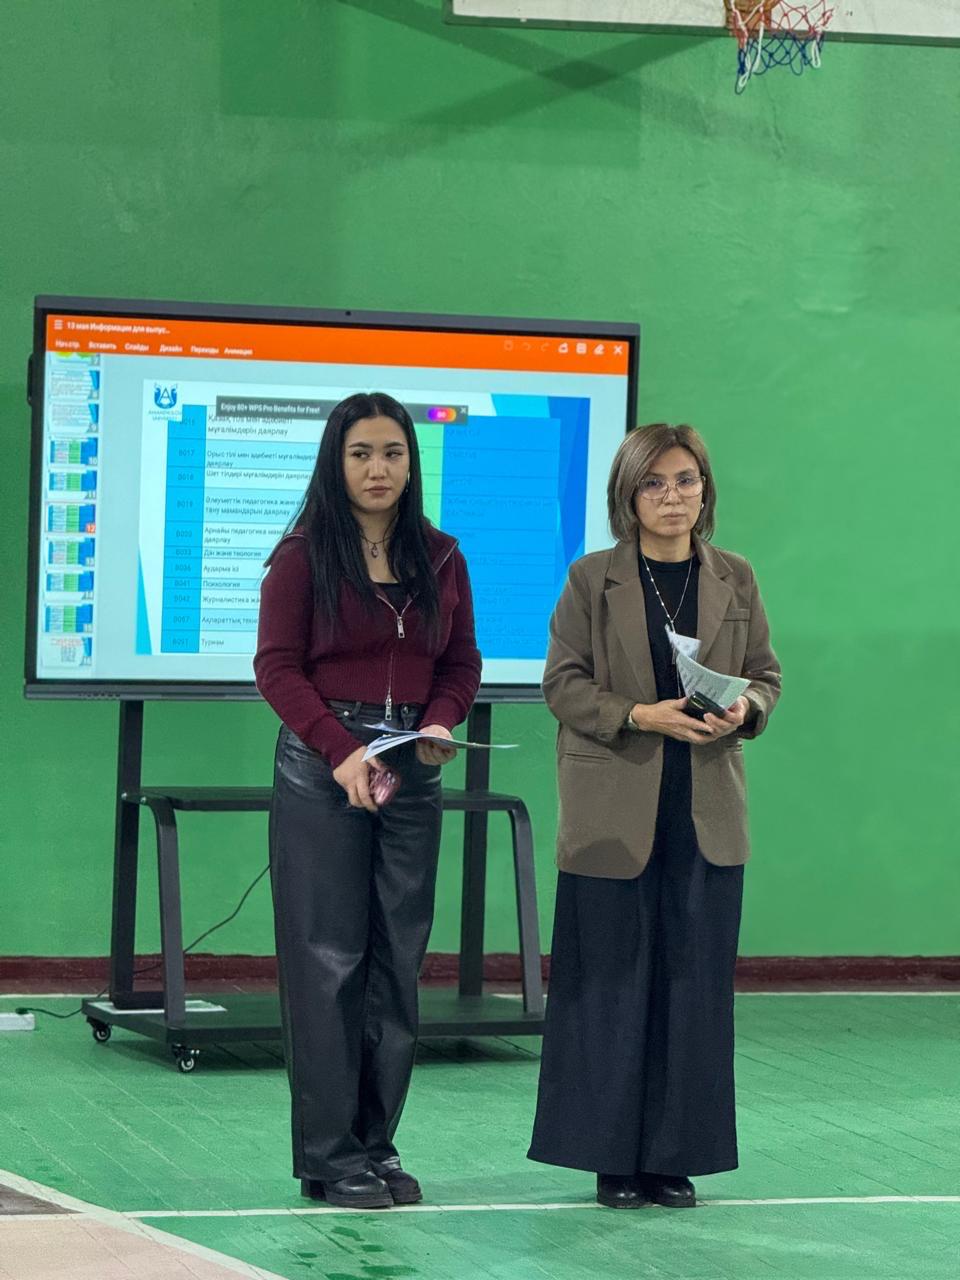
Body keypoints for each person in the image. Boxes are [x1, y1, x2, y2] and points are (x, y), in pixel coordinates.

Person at [528, 423, 781, 1210]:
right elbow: (562, 684)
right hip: (613, 809)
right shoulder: (590, 578)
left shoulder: (735, 576)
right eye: (654, 483)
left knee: (692, 987)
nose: (673, 496)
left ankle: (674, 1157)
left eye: (686, 480)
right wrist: (640, 714)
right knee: (607, 987)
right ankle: (611, 1158)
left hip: (706, 811)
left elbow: (766, 677)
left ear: (705, 490)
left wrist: (746, 709)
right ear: (628, 496)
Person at [255, 392, 481, 1210]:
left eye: (392, 452)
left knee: (397, 963)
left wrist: (442, 721)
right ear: (336, 462)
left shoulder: (441, 556)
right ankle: (329, 1156)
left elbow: (461, 662)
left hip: (411, 764)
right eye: (360, 454)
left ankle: (377, 1147)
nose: (378, 468)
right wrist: (340, 750)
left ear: (411, 463)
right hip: (326, 765)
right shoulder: (302, 555)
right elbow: (277, 668)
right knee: (329, 962)